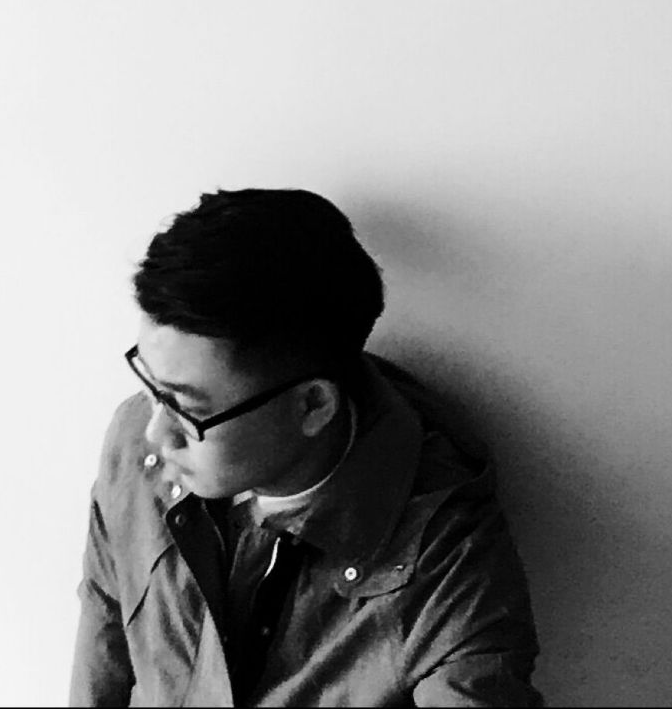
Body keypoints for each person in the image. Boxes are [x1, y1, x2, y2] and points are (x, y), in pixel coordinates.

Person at [69, 187, 542, 707]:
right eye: (152, 387)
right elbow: (105, 615)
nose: (156, 433)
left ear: (313, 405)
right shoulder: (136, 438)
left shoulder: (447, 558)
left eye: (188, 408)